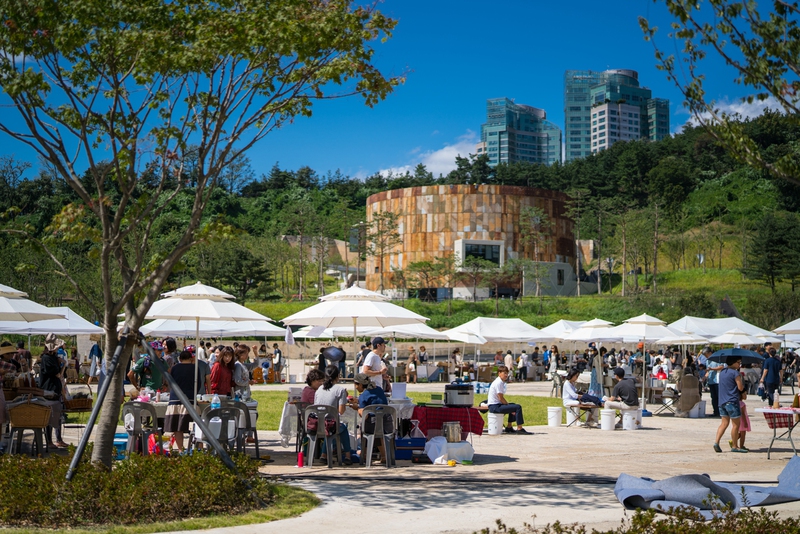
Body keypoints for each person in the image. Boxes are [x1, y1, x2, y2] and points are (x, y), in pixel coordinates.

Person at [313, 365, 353, 465]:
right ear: (337, 376)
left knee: (331, 427)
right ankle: (347, 455)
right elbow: (341, 411)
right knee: (342, 427)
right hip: (330, 425)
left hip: (317, 424)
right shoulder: (340, 390)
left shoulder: (319, 389)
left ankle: (324, 455)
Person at [165, 350, 201, 454]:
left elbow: (171, 383)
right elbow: (198, 384)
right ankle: (197, 449)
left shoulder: (175, 368)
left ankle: (180, 449)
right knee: (195, 427)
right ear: (191, 358)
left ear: (179, 359)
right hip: (190, 399)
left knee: (177, 427)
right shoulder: (195, 368)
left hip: (175, 399)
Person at [350, 373, 390, 462]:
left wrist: (357, 408)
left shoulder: (363, 396)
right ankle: (384, 456)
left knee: (365, 426)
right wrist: (358, 400)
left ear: (360, 384)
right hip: (387, 422)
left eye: (356, 385)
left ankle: (364, 454)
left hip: (373, 426)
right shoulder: (379, 389)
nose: (355, 387)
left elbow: (365, 415)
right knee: (377, 427)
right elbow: (373, 400)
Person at [38, 334, 68, 448]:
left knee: (57, 415)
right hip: (48, 390)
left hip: (55, 389)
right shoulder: (47, 358)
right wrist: (63, 364)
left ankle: (58, 439)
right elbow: (58, 374)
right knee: (49, 416)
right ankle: (49, 440)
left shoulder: (53, 357)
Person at [714, 357, 746, 453]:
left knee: (724, 424)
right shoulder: (735, 373)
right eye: (738, 362)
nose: (739, 364)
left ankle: (716, 442)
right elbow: (740, 388)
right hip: (732, 401)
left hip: (722, 402)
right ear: (733, 362)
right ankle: (735, 446)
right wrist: (744, 388)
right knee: (736, 425)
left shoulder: (722, 372)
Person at [487, 365, 529, 434]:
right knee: (518, 407)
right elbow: (500, 398)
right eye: (504, 373)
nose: (506, 375)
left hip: (495, 405)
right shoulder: (498, 382)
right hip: (494, 407)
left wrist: (508, 406)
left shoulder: (499, 381)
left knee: (513, 405)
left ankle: (509, 427)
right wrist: (507, 405)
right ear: (499, 373)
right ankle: (519, 428)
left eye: (507, 373)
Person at [730, 388, 750, 452]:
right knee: (743, 434)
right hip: (742, 420)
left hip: (737, 419)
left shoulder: (736, 403)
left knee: (739, 433)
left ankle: (733, 441)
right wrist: (745, 422)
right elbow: (743, 414)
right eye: (744, 394)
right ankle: (741, 446)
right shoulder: (742, 404)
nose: (746, 396)